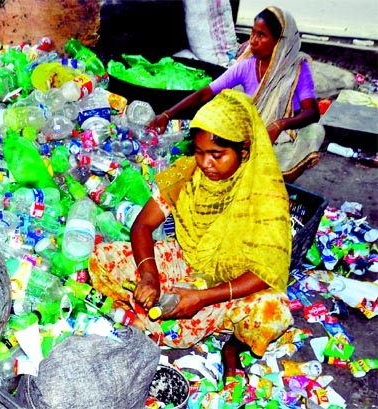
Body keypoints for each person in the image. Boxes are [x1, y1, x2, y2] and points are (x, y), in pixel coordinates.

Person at [88, 89, 294, 385]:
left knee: (274, 311)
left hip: (233, 287)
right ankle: (165, 315)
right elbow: (143, 225)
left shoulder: (265, 195)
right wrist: (149, 275)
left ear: (244, 150)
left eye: (217, 155)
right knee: (101, 257)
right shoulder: (185, 172)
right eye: (199, 152)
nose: (205, 163)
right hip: (188, 262)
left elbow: (265, 272)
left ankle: (232, 344)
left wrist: (203, 297)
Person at [148, 6, 324, 182]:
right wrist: (167, 114)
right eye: (252, 33)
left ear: (280, 41)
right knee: (218, 112)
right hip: (249, 134)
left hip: (281, 139)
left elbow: (312, 112)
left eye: (261, 35)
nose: (253, 41)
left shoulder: (297, 68)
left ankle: (278, 178)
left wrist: (280, 125)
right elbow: (206, 93)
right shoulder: (246, 66)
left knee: (315, 131)